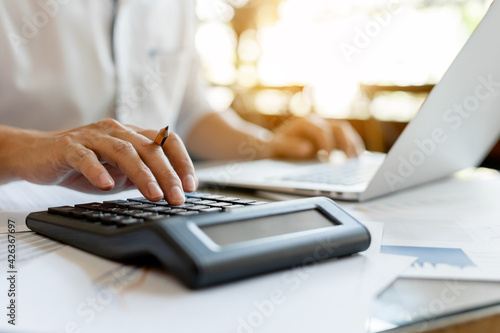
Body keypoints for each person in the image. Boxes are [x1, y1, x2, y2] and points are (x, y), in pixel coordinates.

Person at [0, 0, 364, 205]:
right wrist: (25, 147)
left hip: (150, 210)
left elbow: (189, 113)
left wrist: (269, 146)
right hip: (17, 226)